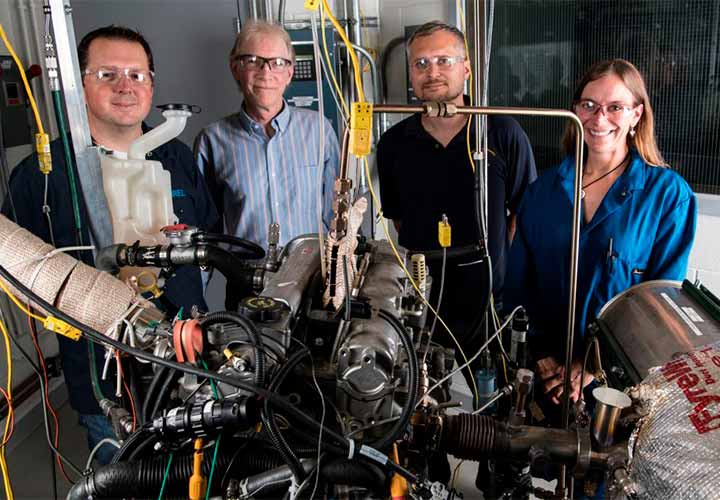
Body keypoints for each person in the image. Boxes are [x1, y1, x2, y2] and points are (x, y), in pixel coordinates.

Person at [2, 25, 218, 464]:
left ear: (153, 84)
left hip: (188, 368)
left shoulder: (176, 157)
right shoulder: (42, 176)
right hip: (104, 385)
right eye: (107, 74)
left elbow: (208, 239)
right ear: (81, 85)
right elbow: (19, 275)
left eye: (137, 75)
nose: (125, 86)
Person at [505, 59, 697, 407]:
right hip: (546, 377)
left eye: (615, 108)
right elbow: (519, 285)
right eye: (588, 105)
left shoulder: (667, 195)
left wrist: (593, 364)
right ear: (575, 110)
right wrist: (540, 354)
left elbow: (659, 304)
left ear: (636, 114)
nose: (599, 119)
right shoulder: (543, 192)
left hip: (619, 385)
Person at [376, 21, 537, 379]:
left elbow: (523, 215)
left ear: (467, 68)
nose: (432, 72)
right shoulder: (393, 143)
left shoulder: (501, 132)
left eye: (444, 61)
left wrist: (494, 265)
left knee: (489, 399)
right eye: (421, 64)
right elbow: (399, 219)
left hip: (488, 303)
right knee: (421, 398)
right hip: (420, 302)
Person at [194, 21, 340, 309]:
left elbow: (337, 216)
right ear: (235, 68)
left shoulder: (320, 130)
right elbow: (205, 233)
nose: (266, 73)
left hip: (314, 285)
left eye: (277, 63)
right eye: (253, 61)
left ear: (289, 72)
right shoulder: (213, 140)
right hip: (246, 288)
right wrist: (194, 300)